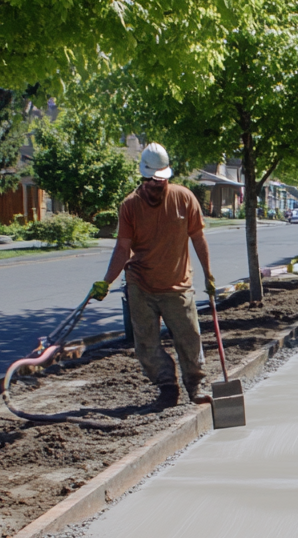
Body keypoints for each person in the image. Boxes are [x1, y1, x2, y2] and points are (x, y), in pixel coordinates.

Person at [91, 143, 214, 406]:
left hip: (177, 286)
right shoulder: (130, 206)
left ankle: (195, 385)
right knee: (146, 343)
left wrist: (209, 275)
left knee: (189, 338)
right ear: (144, 177)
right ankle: (167, 388)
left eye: (162, 180)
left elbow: (198, 238)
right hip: (141, 285)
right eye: (152, 181)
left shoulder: (184, 198)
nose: (158, 186)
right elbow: (123, 247)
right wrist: (106, 281)